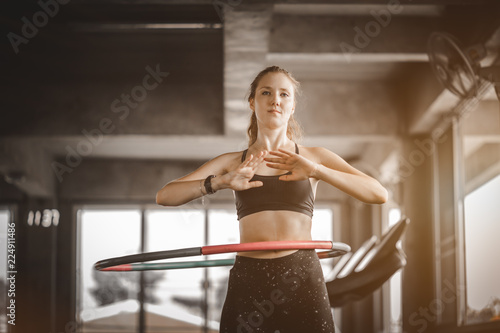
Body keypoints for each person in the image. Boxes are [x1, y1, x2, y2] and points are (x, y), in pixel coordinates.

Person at [156, 65, 388, 332]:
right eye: (266, 92)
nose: (275, 100)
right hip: (250, 277)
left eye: (284, 94)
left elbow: (379, 193)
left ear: (292, 105)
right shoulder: (232, 162)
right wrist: (219, 182)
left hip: (302, 276)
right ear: (253, 102)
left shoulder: (314, 157)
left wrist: (317, 171)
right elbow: (165, 195)